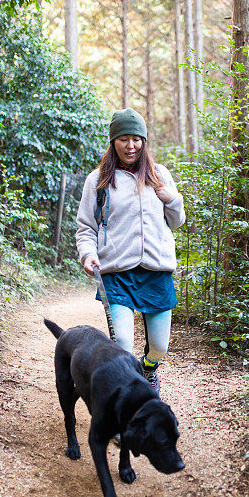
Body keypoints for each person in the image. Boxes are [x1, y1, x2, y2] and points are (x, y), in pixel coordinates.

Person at [76, 108, 185, 395]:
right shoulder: (98, 180)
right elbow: (86, 226)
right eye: (124, 139)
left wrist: (172, 199)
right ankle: (124, 395)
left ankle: (148, 371)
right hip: (116, 272)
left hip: (156, 271)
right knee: (122, 343)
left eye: (136, 139)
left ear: (144, 141)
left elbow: (176, 222)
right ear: (113, 142)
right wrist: (88, 254)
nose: (131, 145)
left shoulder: (160, 174)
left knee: (160, 346)